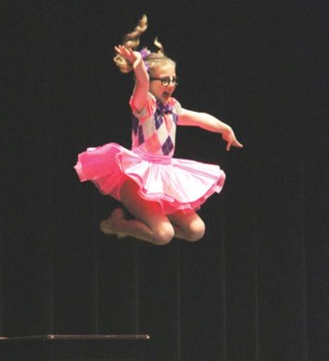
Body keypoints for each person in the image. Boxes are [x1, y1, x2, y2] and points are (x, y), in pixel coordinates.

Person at [74, 15, 243, 245]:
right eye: (164, 80)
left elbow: (200, 118)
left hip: (165, 177)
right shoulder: (144, 105)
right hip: (138, 179)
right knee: (164, 235)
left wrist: (225, 129)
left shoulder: (173, 107)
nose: (170, 85)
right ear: (151, 81)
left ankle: (148, 223)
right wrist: (139, 69)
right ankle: (119, 225)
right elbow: (142, 84)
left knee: (196, 231)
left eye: (173, 79)